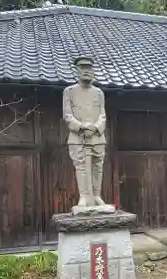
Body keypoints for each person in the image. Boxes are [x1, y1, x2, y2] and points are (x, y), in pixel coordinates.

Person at [63, 56, 107, 208]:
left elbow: (103, 115)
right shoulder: (69, 91)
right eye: (83, 68)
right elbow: (67, 115)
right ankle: (84, 196)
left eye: (89, 68)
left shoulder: (99, 93)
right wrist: (81, 127)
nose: (86, 71)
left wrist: (95, 127)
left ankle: (96, 195)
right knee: (81, 167)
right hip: (78, 137)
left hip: (97, 137)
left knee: (97, 167)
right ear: (77, 70)